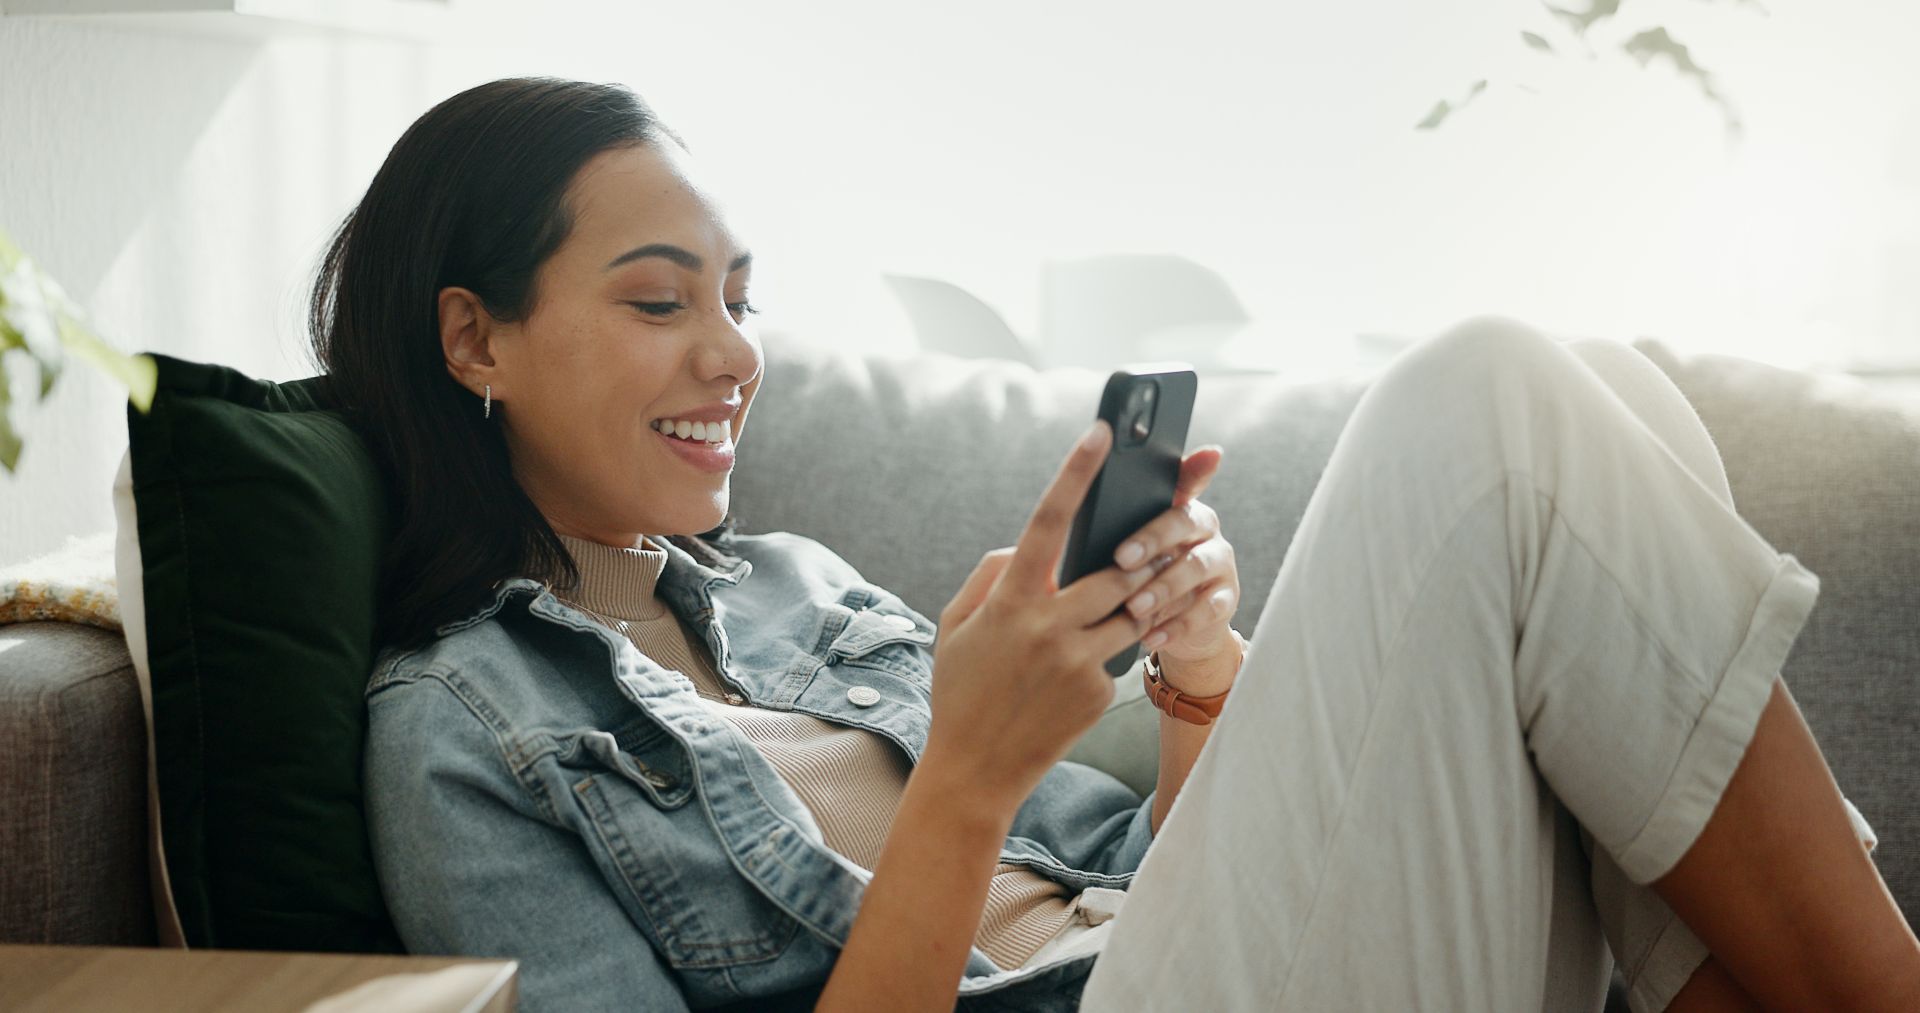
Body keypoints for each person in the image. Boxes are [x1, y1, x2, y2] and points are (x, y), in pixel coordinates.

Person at [314, 77, 1920, 1011]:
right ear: (476, 340)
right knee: (1484, 404)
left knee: (1610, 401)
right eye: (661, 300)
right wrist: (964, 783)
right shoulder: (456, 730)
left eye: (741, 297)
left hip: (1169, 966)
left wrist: (1203, 676)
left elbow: (1173, 886)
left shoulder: (796, 589)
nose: (733, 353)